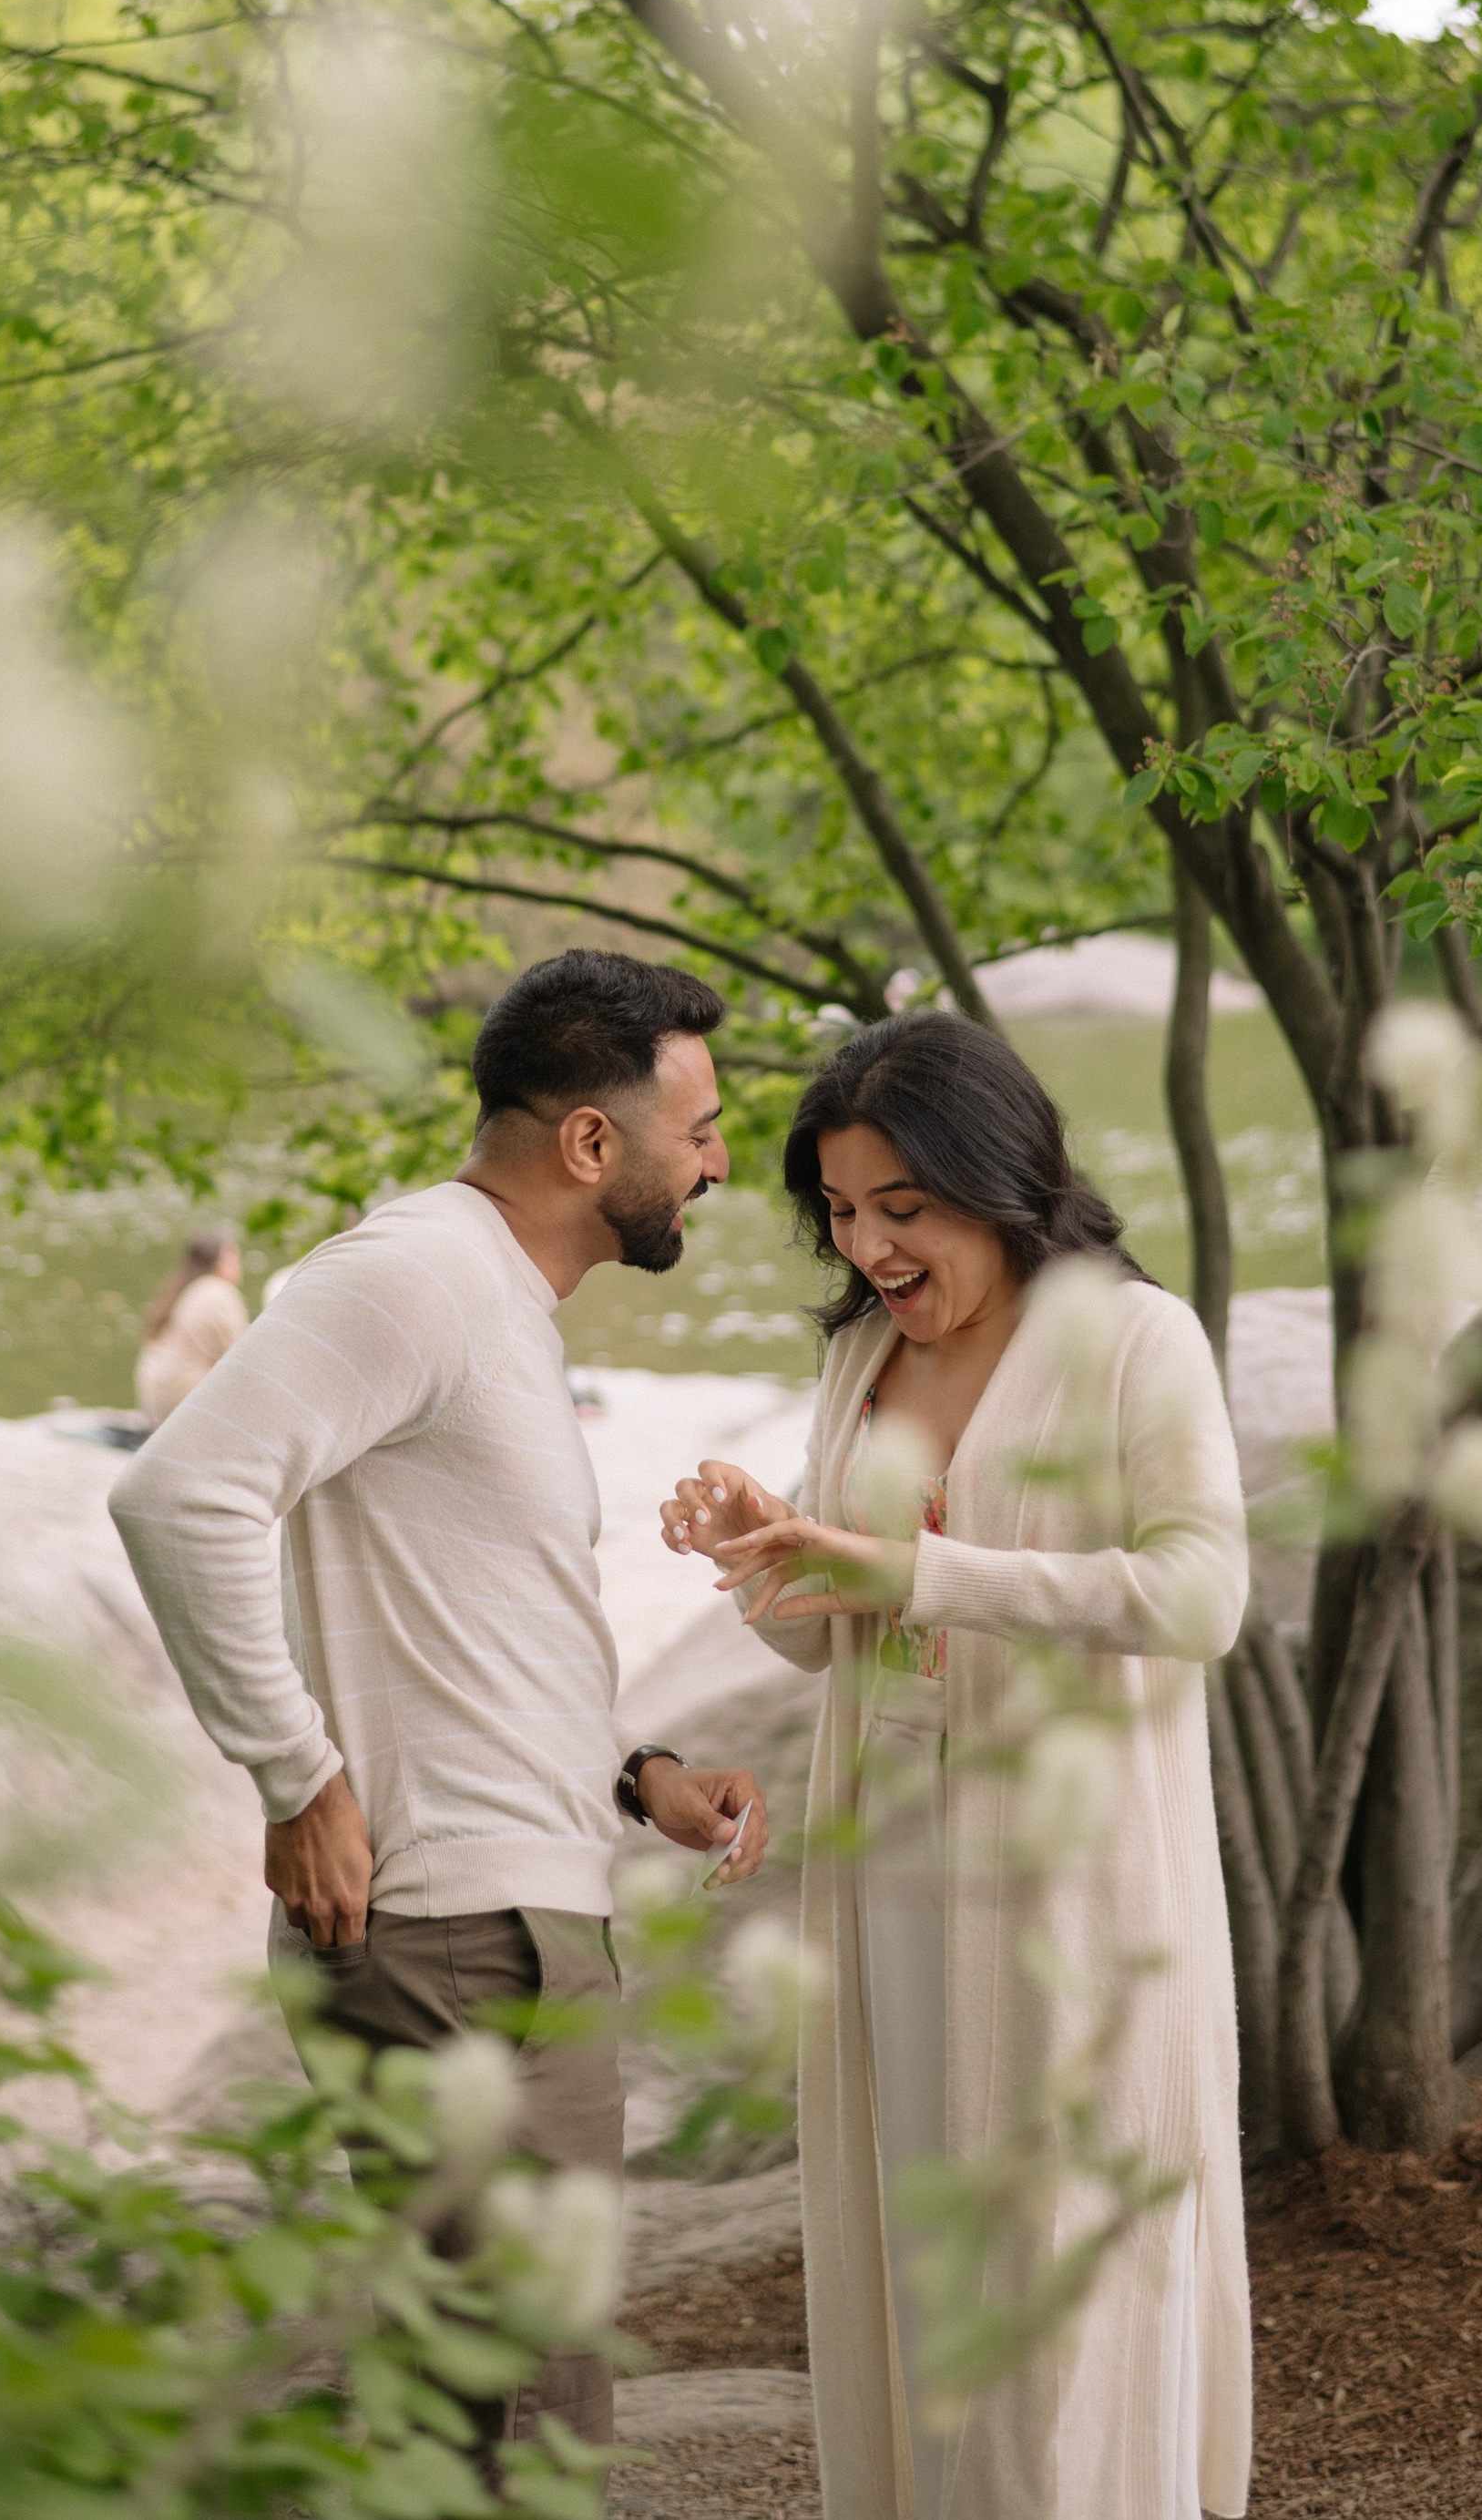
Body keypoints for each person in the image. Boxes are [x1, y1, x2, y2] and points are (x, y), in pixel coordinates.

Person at [108, 949, 769, 2455]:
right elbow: (180, 1494)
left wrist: (636, 1774)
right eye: (701, 1128)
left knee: (503, 2413)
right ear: (591, 1142)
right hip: (460, 1941)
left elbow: (473, 1627)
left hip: (502, 1920)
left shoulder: (493, 1298)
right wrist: (295, 1773)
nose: (721, 1161)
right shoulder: (415, 1273)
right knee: (518, 2431)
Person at [659, 1012, 1250, 2520]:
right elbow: (835, 1642)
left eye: (902, 1207)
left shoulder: (1135, 1341)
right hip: (894, 1869)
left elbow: (1202, 1596)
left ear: (999, 1179)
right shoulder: (861, 1354)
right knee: (920, 2246)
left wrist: (928, 1572)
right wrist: (758, 1549)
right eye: (842, 1211)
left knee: (1059, 2256)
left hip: (1072, 1881)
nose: (869, 1249)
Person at [134, 1231, 248, 1426]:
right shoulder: (219, 1292)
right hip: (186, 1402)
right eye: (233, 1256)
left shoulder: (181, 1288)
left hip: (155, 1400)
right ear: (220, 1260)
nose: (239, 1264)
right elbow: (243, 1356)